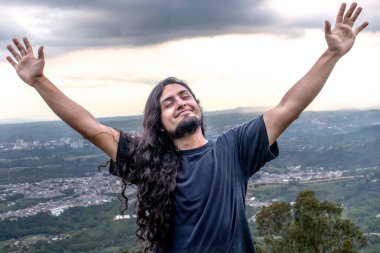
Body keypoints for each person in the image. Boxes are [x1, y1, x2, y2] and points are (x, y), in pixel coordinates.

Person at [6, 2, 368, 253]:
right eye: (168, 102)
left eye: (184, 96)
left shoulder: (234, 148)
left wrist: (332, 54)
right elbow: (87, 125)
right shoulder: (147, 158)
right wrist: (40, 82)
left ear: (197, 105)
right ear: (160, 123)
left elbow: (290, 106)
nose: (179, 102)